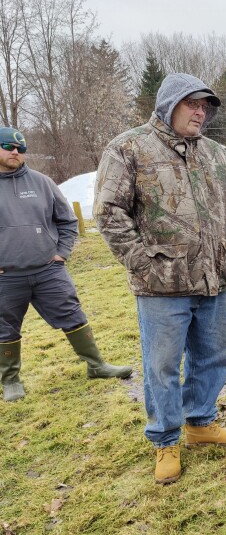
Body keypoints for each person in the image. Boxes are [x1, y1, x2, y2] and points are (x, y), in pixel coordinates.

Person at [94, 73, 226, 484]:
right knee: (163, 366)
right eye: (192, 103)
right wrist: (144, 264)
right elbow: (109, 213)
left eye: (205, 106)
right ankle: (165, 439)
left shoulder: (215, 153)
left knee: (213, 355)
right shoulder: (129, 148)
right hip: (161, 286)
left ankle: (200, 422)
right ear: (168, 104)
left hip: (214, 279)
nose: (200, 111)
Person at [0, 127, 132, 402]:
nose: (15, 151)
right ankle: (10, 379)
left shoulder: (42, 183)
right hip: (6, 277)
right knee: (5, 327)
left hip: (48, 270)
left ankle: (97, 365)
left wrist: (61, 253)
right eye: (8, 146)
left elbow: (67, 221)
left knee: (73, 314)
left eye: (21, 148)